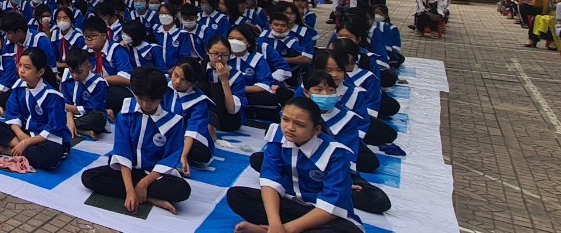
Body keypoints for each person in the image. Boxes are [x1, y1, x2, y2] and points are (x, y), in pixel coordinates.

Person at [226, 98, 364, 233]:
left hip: (322, 211)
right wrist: (275, 224)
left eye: (299, 124)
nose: (290, 128)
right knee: (237, 196)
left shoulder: (335, 154)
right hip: (291, 203)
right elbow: (270, 181)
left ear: (316, 130)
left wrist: (285, 229)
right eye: (285, 119)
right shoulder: (278, 137)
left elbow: (333, 205)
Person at [81, 69, 192, 215]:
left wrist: (144, 183)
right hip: (128, 170)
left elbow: (170, 158)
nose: (146, 104)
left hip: (154, 175)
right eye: (141, 99)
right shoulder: (126, 114)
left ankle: (141, 191)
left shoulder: (172, 122)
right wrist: (129, 191)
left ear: (162, 96)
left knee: (182, 190)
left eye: (152, 100)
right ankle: (149, 198)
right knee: (89, 177)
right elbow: (122, 152)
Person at [0, 48, 72, 171]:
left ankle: (9, 151)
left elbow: (54, 129)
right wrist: (22, 137)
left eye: (27, 67)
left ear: (40, 72)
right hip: (26, 132)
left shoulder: (52, 96)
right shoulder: (19, 87)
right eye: (20, 65)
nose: (22, 70)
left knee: (50, 157)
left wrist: (26, 142)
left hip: (47, 138)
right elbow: (12, 114)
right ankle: (19, 148)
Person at [165, 61, 215, 170]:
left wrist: (183, 156)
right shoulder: (162, 85)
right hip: (161, 130)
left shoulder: (199, 100)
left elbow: (193, 130)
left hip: (184, 136)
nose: (177, 82)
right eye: (175, 75)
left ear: (194, 83)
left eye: (184, 80)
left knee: (201, 154)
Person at [81, 19, 134, 113]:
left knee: (116, 96)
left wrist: (99, 80)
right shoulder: (84, 52)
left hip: (114, 88)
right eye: (86, 36)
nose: (89, 39)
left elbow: (125, 78)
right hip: (92, 88)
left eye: (93, 35)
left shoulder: (117, 50)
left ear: (104, 36)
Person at [60, 48, 109, 139]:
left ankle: (68, 126)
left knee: (98, 118)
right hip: (68, 114)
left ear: (89, 67)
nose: (75, 75)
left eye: (79, 72)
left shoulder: (98, 83)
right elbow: (66, 102)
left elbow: (92, 108)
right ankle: (79, 129)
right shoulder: (67, 78)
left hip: (87, 116)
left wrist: (68, 108)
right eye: (72, 71)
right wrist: (69, 117)